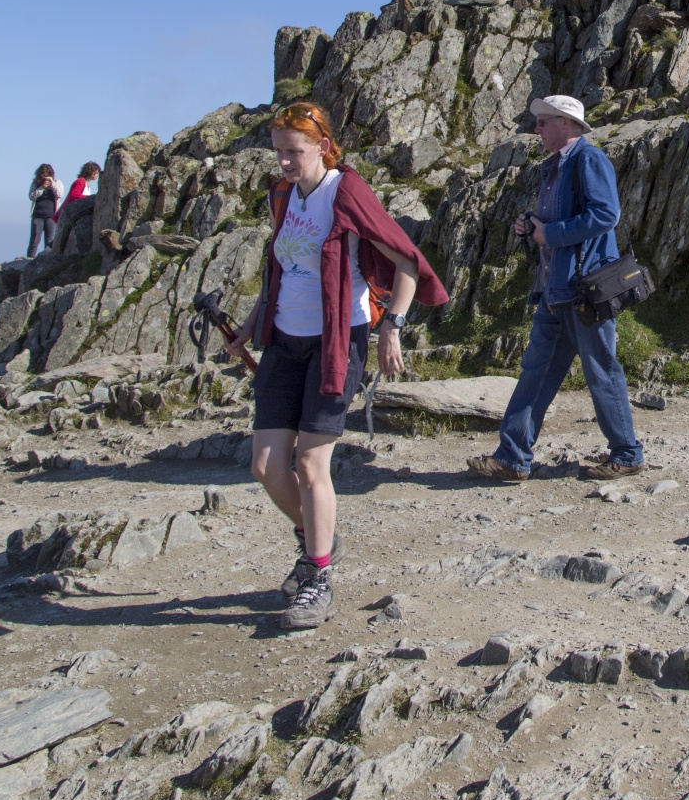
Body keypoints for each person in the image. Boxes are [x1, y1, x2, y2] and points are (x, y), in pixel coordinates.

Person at [226, 100, 448, 629]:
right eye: (278, 151)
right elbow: (278, 267)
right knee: (264, 466)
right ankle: (316, 540)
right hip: (283, 341)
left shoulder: (345, 190)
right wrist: (248, 326)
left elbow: (406, 261)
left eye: (293, 152)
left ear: (323, 146)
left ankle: (317, 577)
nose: (283, 162)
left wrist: (391, 325)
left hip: (335, 343)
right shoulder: (283, 194)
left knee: (310, 465)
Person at [467, 95, 644, 485]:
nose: (537, 128)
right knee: (536, 372)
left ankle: (628, 453)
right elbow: (558, 224)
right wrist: (531, 225)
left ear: (567, 124)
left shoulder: (588, 159)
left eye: (544, 121)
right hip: (555, 290)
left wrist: (552, 232)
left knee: (601, 370)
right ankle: (513, 458)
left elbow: (605, 215)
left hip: (583, 291)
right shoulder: (555, 167)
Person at [27, 165, 64, 257]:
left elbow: (60, 194)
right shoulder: (35, 183)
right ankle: (29, 260)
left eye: (47, 175)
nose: (45, 177)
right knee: (34, 241)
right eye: (43, 175)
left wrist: (52, 183)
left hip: (51, 216)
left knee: (49, 241)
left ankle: (47, 261)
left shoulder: (57, 183)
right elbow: (31, 196)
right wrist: (42, 188)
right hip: (37, 216)